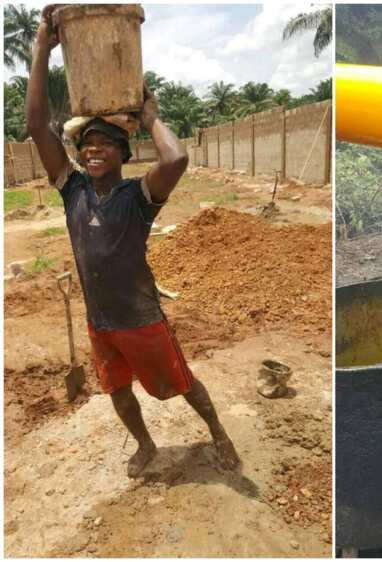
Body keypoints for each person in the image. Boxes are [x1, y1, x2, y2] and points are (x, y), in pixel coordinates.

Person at [26, 6, 239, 478]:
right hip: (101, 321)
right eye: (86, 144)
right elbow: (37, 125)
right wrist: (43, 47)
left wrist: (150, 116)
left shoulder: (137, 198)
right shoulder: (73, 190)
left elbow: (177, 157)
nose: (93, 149)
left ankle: (218, 431)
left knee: (181, 382)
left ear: (124, 154)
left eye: (104, 143)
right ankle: (145, 443)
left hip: (142, 317)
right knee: (117, 391)